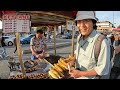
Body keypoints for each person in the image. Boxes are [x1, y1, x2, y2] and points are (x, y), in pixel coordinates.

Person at [68, 11, 110, 79]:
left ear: (93, 23)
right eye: (79, 21)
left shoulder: (102, 42)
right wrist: (73, 61)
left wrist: (80, 74)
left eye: (86, 21)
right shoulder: (79, 37)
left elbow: (103, 69)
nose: (82, 25)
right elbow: (77, 53)